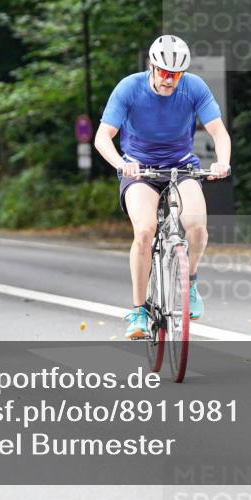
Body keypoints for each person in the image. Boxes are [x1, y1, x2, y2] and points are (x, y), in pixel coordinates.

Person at [94, 35, 231, 339]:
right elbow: (103, 137)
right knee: (144, 232)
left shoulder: (194, 87)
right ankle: (138, 311)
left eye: (177, 74)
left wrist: (222, 162)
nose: (170, 80)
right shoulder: (129, 88)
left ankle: (190, 284)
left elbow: (219, 133)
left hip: (181, 165)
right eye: (165, 72)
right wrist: (120, 163)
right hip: (139, 168)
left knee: (197, 227)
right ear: (152, 66)